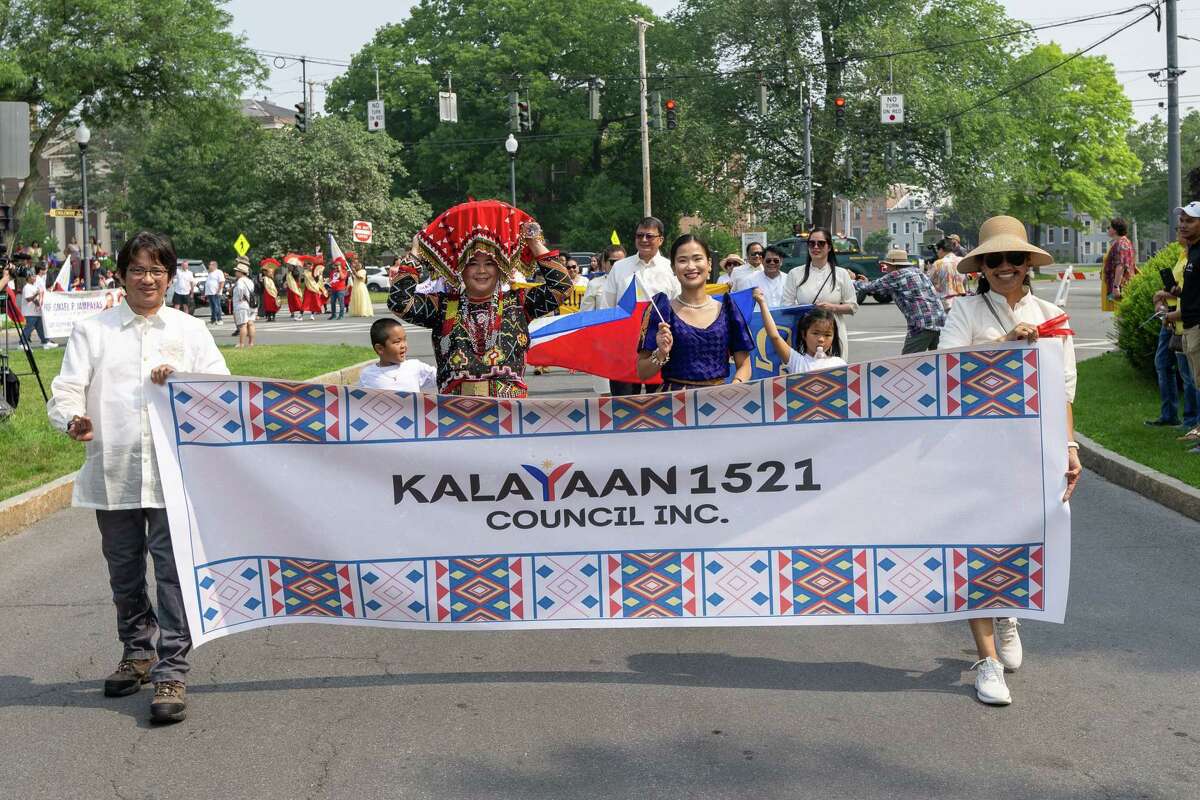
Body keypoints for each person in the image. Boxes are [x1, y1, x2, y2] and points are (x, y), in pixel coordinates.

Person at [47, 231, 229, 724]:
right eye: (137, 270)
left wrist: (184, 381)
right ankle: (137, 650)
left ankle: (172, 669)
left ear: (170, 277)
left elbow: (220, 389)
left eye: (157, 270)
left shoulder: (190, 331)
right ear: (122, 275)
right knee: (124, 572)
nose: (147, 279)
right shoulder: (94, 330)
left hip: (175, 475)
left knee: (172, 575)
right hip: (116, 472)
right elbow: (66, 389)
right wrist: (73, 419)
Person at [939, 215, 1081, 706]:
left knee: (1020, 538)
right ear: (981, 266)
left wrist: (1070, 448)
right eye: (994, 259)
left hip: (1032, 450)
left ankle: (1007, 612)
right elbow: (944, 371)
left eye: (1014, 259)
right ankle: (987, 661)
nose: (1004, 267)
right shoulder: (965, 312)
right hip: (974, 446)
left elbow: (1064, 390)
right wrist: (1002, 347)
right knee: (973, 545)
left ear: (1027, 265)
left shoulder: (1051, 315)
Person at [388, 199, 571, 397]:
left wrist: (534, 242)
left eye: (490, 263)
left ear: (501, 267)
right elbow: (400, 302)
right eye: (473, 263)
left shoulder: (518, 302)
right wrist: (416, 252)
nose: (482, 271)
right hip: (454, 416)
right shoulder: (442, 306)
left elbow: (561, 287)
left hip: (510, 417)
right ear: (461, 269)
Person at [636, 234, 753, 390]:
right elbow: (643, 372)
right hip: (674, 404)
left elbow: (744, 366)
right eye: (682, 260)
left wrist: (734, 386)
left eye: (697, 259)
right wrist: (661, 353)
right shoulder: (661, 312)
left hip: (719, 402)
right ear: (673, 268)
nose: (691, 266)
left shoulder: (728, 310)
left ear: (709, 264)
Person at [603, 217, 681, 395]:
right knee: (624, 408)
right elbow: (607, 308)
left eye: (649, 236)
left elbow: (679, 308)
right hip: (624, 350)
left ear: (660, 239)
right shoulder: (620, 267)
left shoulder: (672, 267)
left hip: (661, 349)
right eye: (639, 236)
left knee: (662, 408)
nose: (644, 240)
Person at [1158, 202, 1200, 452]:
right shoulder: (1192, 254)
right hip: (1190, 325)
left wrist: (1176, 313)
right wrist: (1178, 292)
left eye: (1191, 220)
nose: (1183, 225)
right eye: (1182, 220)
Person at [781, 226, 858, 359]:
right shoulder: (795, 273)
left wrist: (832, 307)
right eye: (811, 243)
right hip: (806, 334)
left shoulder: (841, 274)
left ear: (829, 247)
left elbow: (852, 306)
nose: (815, 247)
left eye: (821, 243)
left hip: (833, 333)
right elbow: (786, 306)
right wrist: (805, 310)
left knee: (835, 372)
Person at [853, 249, 946, 353]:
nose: (886, 268)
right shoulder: (917, 272)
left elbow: (868, 288)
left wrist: (850, 280)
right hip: (940, 320)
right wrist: (867, 283)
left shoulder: (896, 275)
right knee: (937, 359)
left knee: (909, 361)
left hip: (922, 323)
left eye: (887, 265)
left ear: (894, 265)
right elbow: (879, 289)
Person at [754, 292, 846, 374]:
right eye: (815, 333)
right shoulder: (796, 361)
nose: (821, 339)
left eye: (827, 335)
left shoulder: (839, 364)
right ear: (804, 334)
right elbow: (775, 337)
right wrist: (762, 303)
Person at [359, 318, 436, 392]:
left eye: (404, 340)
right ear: (380, 349)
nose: (403, 345)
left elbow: (443, 377)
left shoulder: (415, 367)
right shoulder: (367, 375)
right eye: (397, 342)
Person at [1101, 217, 1136, 312]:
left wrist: (1116, 287)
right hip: (1120, 285)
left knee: (1121, 315)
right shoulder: (1122, 243)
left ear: (1115, 230)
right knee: (1119, 315)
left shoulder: (1121, 244)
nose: (1108, 229)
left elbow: (1120, 266)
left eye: (1110, 227)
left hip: (1121, 287)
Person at [579, 245, 625, 313]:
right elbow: (585, 314)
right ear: (604, 263)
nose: (618, 265)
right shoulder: (594, 284)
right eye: (614, 262)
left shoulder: (632, 283)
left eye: (622, 262)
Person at [20, 264, 57, 349]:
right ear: (28, 278)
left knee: (40, 328)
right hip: (30, 312)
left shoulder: (33, 287)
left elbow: (36, 298)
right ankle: (21, 343)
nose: (35, 278)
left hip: (35, 312)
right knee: (29, 328)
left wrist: (39, 303)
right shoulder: (27, 287)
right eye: (33, 277)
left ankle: (45, 342)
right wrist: (37, 296)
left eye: (35, 276)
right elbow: (29, 299)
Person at [926, 238, 965, 309]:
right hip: (961, 302)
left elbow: (928, 281)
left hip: (945, 302)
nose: (937, 253)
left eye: (937, 250)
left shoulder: (938, 263)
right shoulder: (962, 261)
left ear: (941, 249)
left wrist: (929, 270)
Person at [232, 259, 257, 348]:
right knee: (251, 323)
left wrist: (240, 297)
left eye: (236, 271)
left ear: (240, 272)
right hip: (252, 304)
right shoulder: (250, 281)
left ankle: (241, 344)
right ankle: (251, 343)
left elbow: (240, 291)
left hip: (242, 305)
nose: (235, 273)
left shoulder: (240, 281)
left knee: (243, 325)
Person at [346, 254, 373, 318]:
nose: (358, 266)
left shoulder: (363, 271)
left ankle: (363, 312)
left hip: (361, 287)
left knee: (361, 299)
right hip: (355, 286)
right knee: (356, 299)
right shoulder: (356, 271)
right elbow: (354, 279)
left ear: (362, 266)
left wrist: (354, 272)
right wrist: (351, 274)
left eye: (359, 265)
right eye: (357, 265)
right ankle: (357, 312)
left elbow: (360, 278)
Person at [203, 260, 225, 325]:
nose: (209, 266)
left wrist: (218, 291)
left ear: (214, 265)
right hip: (210, 292)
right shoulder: (210, 273)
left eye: (210, 264)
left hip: (215, 292)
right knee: (212, 307)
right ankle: (213, 319)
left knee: (217, 306)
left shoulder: (219, 272)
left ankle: (219, 319)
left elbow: (222, 282)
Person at [259, 258, 281, 322]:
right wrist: (261, 281)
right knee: (267, 305)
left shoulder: (274, 278)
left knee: (273, 305)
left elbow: (277, 286)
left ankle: (273, 316)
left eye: (268, 271)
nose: (266, 272)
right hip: (266, 293)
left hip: (274, 293)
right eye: (264, 271)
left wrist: (278, 292)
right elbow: (262, 286)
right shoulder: (263, 278)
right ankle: (268, 317)